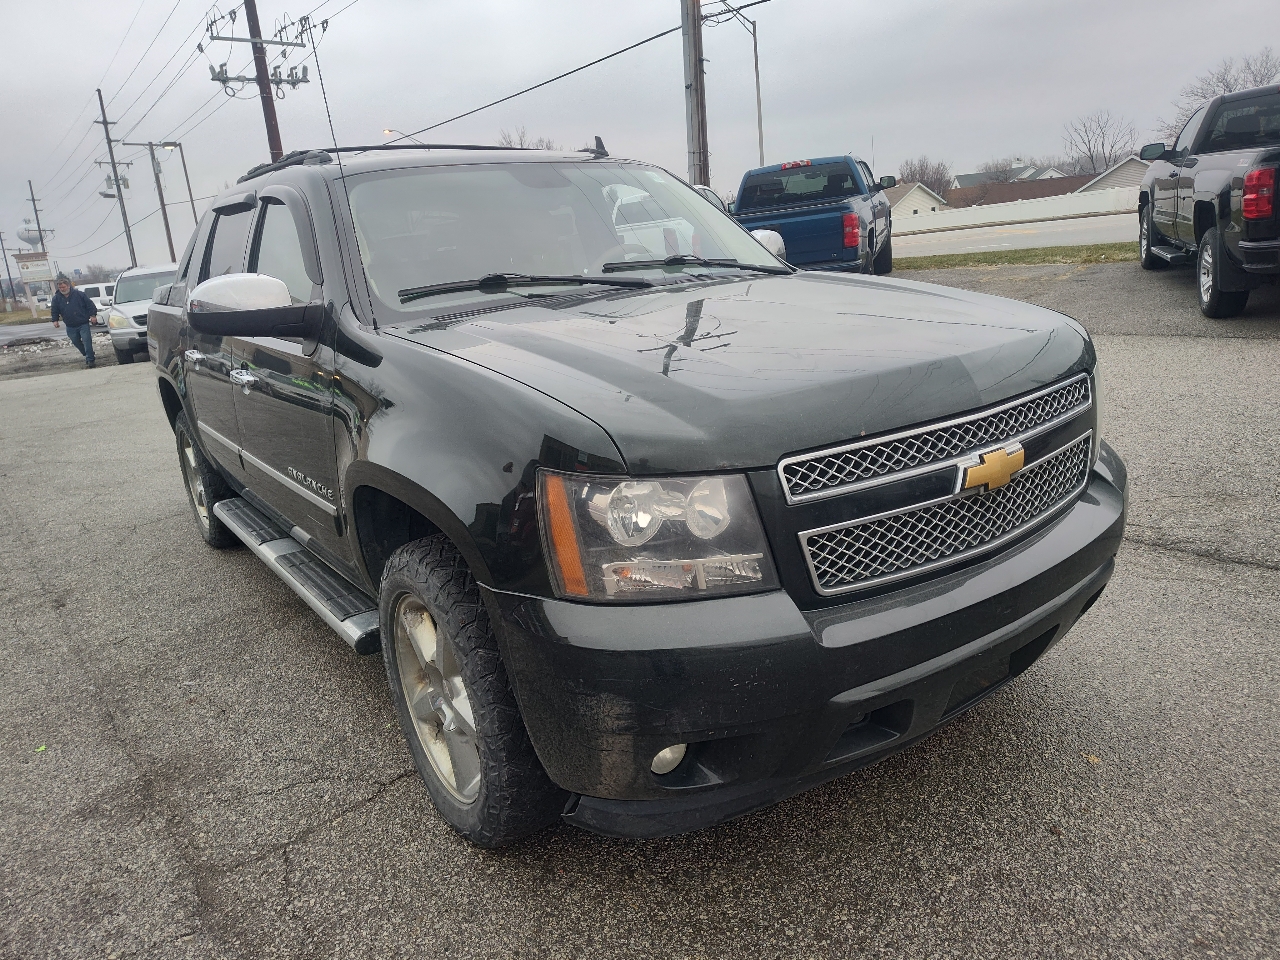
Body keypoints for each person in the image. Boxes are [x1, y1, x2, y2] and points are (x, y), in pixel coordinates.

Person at [50, 273, 97, 368]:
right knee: (76, 342)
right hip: (70, 325)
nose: (62, 289)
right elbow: (54, 310)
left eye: (63, 287)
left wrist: (93, 315)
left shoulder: (79, 295)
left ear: (68, 286)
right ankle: (88, 353)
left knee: (87, 341)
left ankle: (90, 360)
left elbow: (90, 305)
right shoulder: (56, 298)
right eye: (60, 288)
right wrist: (55, 320)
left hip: (83, 323)